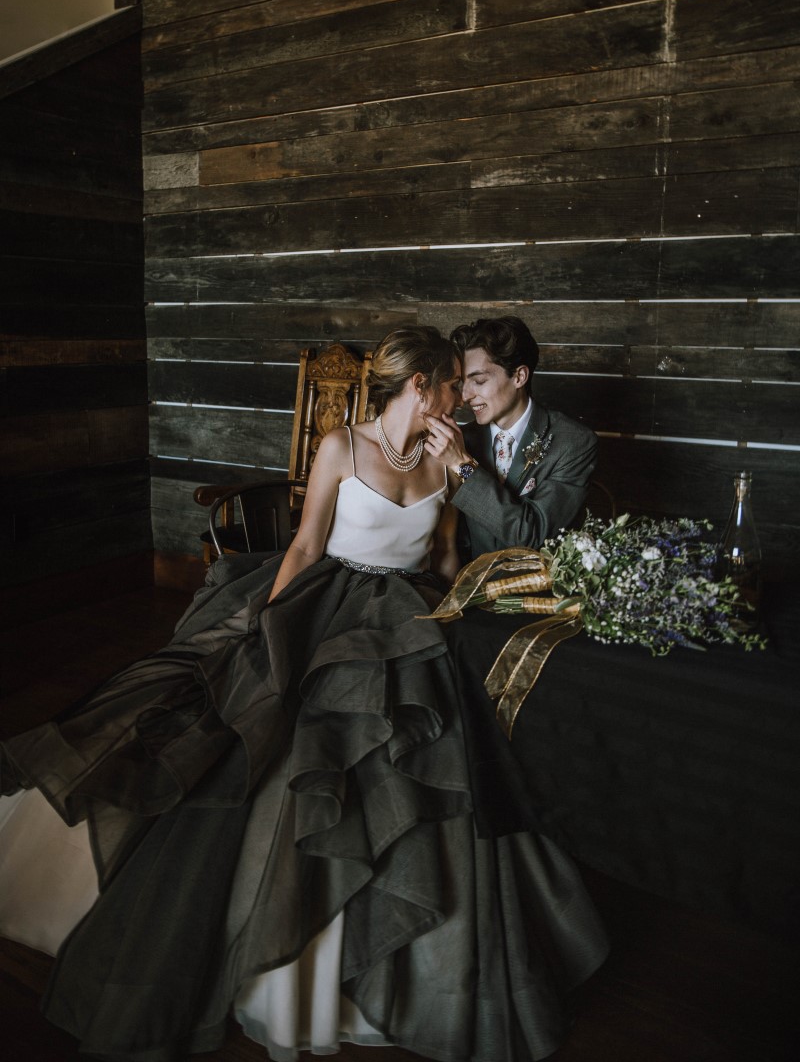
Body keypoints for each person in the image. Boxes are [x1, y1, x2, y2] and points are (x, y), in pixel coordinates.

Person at [0, 326, 607, 1062]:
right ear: (421, 386)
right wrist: (269, 626)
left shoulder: (450, 459)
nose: (460, 397)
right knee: (272, 731)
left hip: (408, 614)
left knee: (423, 750)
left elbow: (447, 555)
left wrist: (468, 624)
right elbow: (306, 544)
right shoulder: (341, 446)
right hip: (325, 601)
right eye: (453, 383)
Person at [423, 316, 598, 559]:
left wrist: (462, 464)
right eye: (462, 383)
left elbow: (532, 534)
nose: (465, 396)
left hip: (535, 580)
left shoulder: (573, 442)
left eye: (479, 381)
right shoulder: (462, 439)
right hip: (467, 577)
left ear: (519, 377)